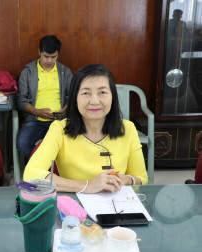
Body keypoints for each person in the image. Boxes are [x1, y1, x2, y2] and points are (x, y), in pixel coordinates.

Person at [24, 64, 148, 193]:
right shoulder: (59, 129)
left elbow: (142, 179)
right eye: (86, 93)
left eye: (102, 92)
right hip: (75, 205)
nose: (94, 101)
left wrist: (125, 179)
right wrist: (88, 186)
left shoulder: (128, 129)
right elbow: (31, 174)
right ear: (75, 98)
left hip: (116, 205)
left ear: (113, 96)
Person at [16, 35, 72, 158]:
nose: (49, 61)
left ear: (58, 54)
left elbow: (74, 97)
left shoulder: (65, 72)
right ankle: (45, 166)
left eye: (53, 57)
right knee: (22, 143)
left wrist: (64, 110)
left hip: (60, 121)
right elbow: (21, 100)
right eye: (46, 56)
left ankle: (53, 168)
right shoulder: (28, 72)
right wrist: (37, 112)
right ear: (39, 52)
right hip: (36, 121)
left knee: (74, 144)